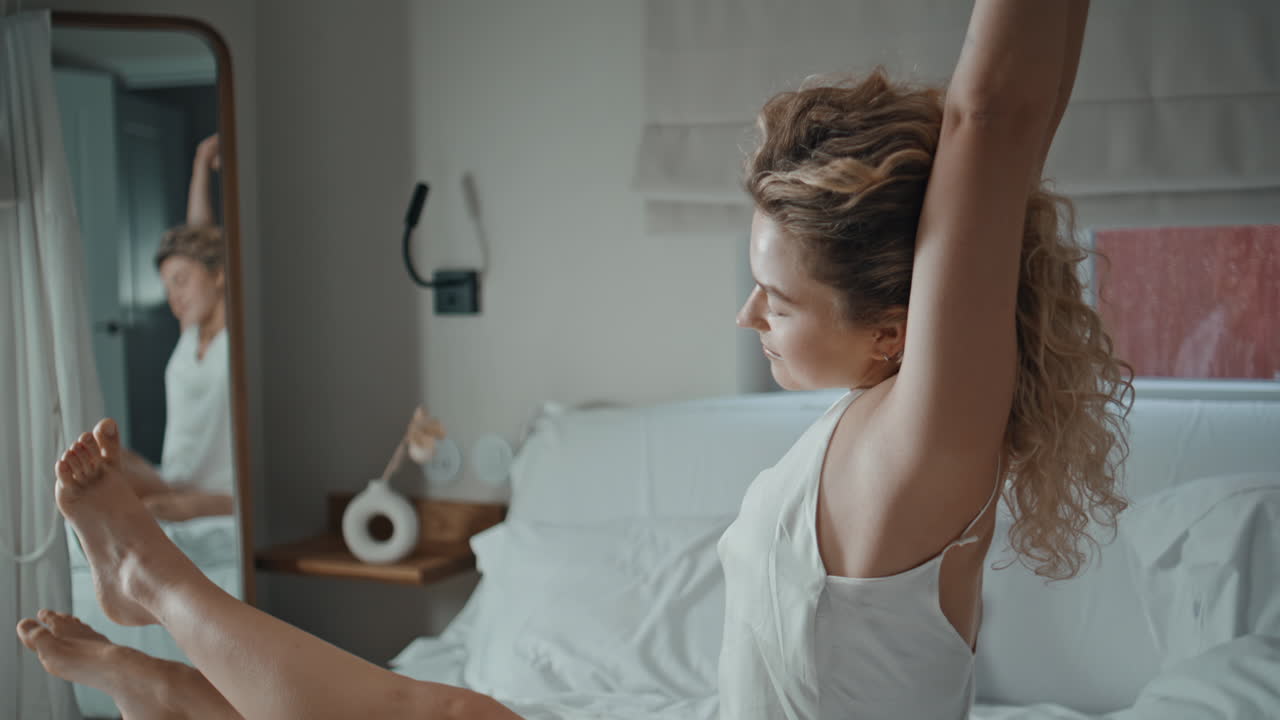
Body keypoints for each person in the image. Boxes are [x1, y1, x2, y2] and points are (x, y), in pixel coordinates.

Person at [17, 2, 1131, 718]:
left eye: (779, 301)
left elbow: (995, 113)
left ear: (899, 326)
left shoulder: (919, 448)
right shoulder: (879, 434)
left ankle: (156, 591)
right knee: (455, 714)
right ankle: (171, 674)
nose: (747, 317)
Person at [118, 134, 236, 522]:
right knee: (107, 464)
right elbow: (198, 241)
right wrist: (201, 160)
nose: (174, 297)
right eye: (168, 286)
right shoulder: (189, 337)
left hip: (222, 492)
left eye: (181, 281)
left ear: (219, 275)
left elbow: (204, 237)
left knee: (150, 513)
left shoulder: (236, 338)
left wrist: (205, 160)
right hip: (176, 479)